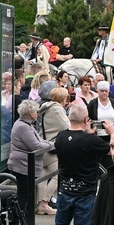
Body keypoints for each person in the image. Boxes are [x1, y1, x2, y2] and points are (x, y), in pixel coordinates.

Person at [43, 104, 113, 225]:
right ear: (85, 120)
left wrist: (86, 134)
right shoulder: (90, 141)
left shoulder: (60, 137)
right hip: (85, 191)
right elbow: (112, 148)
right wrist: (111, 131)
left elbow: (74, 143)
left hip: (65, 190)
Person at [7, 100, 54, 222]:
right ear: (32, 114)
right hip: (23, 166)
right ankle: (23, 223)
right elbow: (36, 146)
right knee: (25, 196)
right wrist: (53, 146)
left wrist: (51, 144)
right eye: (36, 111)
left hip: (25, 165)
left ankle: (26, 223)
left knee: (27, 195)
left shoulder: (26, 125)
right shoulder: (23, 126)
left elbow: (39, 142)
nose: (37, 114)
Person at [37, 87, 71, 215]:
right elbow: (67, 126)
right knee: (58, 174)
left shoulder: (47, 107)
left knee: (44, 175)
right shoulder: (57, 109)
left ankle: (41, 204)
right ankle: (45, 202)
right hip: (51, 148)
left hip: (43, 146)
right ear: (63, 98)